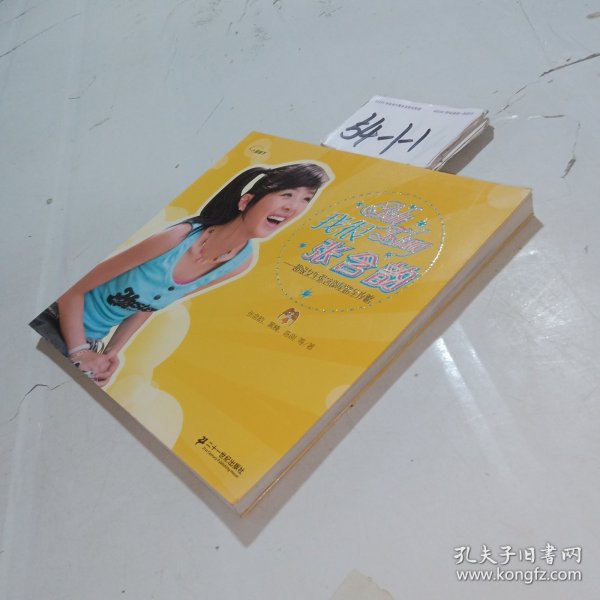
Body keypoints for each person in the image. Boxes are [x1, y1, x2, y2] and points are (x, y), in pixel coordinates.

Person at [31, 163, 330, 386]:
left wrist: (111, 353)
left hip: (89, 342)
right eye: (287, 194)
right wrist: (79, 351)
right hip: (54, 320)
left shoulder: (239, 263)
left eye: (306, 199)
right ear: (246, 201)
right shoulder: (176, 238)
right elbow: (72, 289)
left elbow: (148, 305)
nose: (294, 207)